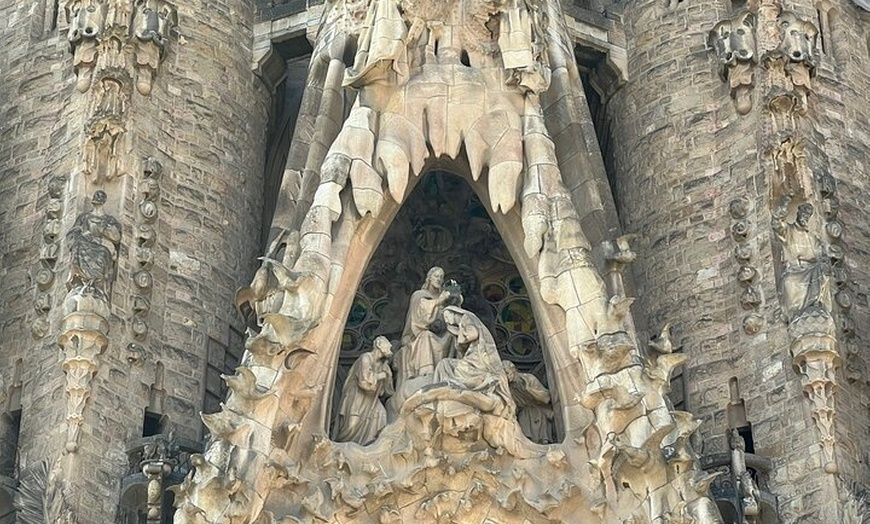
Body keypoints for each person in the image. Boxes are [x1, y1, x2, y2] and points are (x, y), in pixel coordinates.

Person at [771, 196, 831, 322]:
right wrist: (784, 206)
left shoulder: (813, 238)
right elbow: (776, 224)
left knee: (823, 270)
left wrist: (824, 263)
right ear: (798, 213)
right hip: (794, 270)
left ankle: (815, 305)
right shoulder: (789, 230)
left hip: (811, 269)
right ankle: (794, 316)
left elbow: (821, 255)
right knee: (789, 282)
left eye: (807, 215)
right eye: (803, 213)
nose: (805, 217)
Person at [398, 267, 457, 382]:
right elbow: (421, 318)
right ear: (429, 278)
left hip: (441, 335)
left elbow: (451, 319)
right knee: (426, 336)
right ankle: (426, 371)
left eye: (441, 277)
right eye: (436, 276)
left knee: (452, 335)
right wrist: (439, 301)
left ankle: (448, 372)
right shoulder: (419, 295)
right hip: (419, 334)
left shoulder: (444, 298)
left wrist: (456, 302)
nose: (439, 279)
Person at [333, 336, 395, 445]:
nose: (389, 348)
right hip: (357, 396)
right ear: (378, 345)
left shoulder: (382, 366)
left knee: (382, 415)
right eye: (386, 346)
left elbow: (386, 391)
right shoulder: (365, 358)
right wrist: (381, 375)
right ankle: (342, 447)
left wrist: (387, 374)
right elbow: (364, 381)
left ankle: (370, 447)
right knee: (352, 425)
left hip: (372, 399)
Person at [503, 361, 555, 444]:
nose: (507, 376)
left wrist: (529, 391)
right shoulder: (509, 389)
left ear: (512, 370)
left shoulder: (529, 379)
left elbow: (546, 397)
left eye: (507, 372)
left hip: (540, 410)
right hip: (524, 412)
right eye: (504, 374)